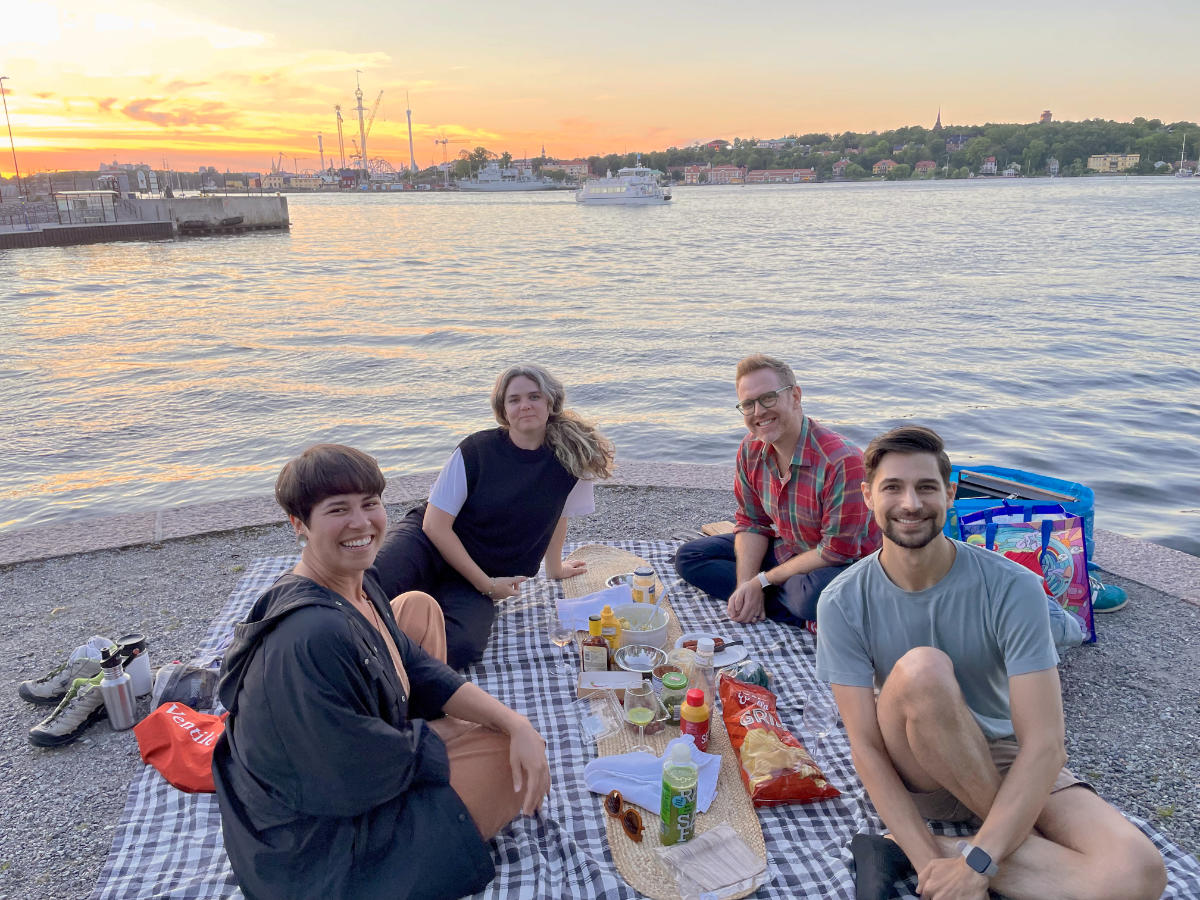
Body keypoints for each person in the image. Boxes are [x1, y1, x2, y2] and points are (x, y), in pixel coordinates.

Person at [815, 425, 1167, 900]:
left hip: (1003, 755)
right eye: (893, 488)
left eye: (926, 487)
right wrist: (933, 870)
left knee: (1138, 874)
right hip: (916, 761)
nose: (911, 504)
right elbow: (867, 749)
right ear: (869, 496)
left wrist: (977, 865)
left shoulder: (1012, 586)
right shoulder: (842, 601)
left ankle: (924, 848)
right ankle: (972, 846)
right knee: (923, 669)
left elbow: (1045, 745)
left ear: (951, 493)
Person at [212, 444, 551, 900]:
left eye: (369, 504)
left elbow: (414, 662)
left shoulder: (357, 581)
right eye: (338, 510)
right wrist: (454, 735)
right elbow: (348, 775)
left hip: (343, 752)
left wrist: (514, 719)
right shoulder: (312, 635)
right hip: (315, 847)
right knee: (503, 757)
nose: (361, 523)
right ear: (300, 525)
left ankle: (451, 734)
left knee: (416, 608)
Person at [373, 364, 614, 668]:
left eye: (534, 396)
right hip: (427, 545)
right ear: (503, 409)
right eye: (514, 399)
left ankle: (388, 650)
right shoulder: (475, 451)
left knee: (462, 648)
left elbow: (560, 514)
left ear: (550, 403)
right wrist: (486, 586)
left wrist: (554, 568)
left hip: (480, 573)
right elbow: (434, 525)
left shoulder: (572, 458)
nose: (525, 405)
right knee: (370, 583)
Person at [674, 354, 879, 627]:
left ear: (795, 396)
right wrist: (746, 584)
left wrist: (763, 581)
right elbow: (752, 521)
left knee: (809, 596)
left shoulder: (843, 461)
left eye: (768, 398)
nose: (758, 412)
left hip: (843, 566)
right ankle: (772, 606)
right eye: (748, 404)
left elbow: (836, 552)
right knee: (689, 557)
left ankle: (800, 609)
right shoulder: (751, 448)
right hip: (790, 548)